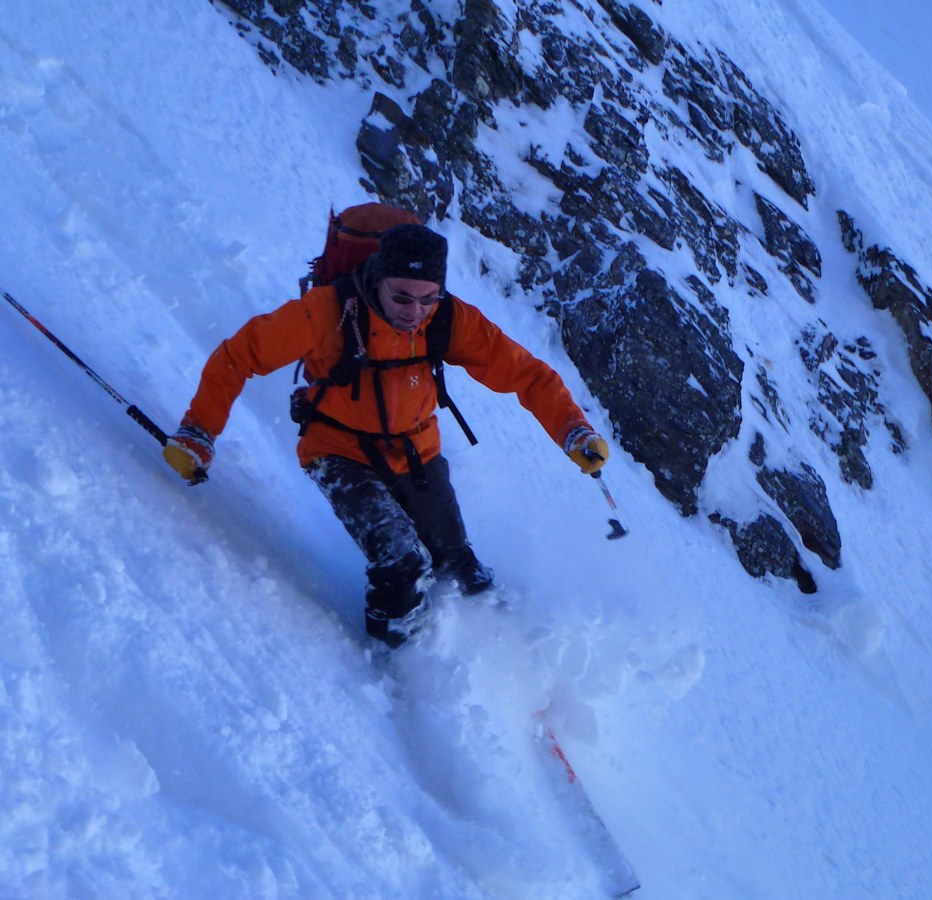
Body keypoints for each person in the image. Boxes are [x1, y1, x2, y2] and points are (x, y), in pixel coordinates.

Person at [163, 222, 609, 645]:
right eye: (402, 297)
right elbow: (238, 356)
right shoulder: (327, 313)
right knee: (401, 560)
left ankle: (506, 652)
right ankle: (399, 658)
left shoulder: (448, 319)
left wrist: (573, 430)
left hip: (417, 451)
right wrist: (198, 433)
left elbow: (527, 375)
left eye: (428, 298)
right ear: (378, 279)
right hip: (337, 450)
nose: (415, 313)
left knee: (459, 567)